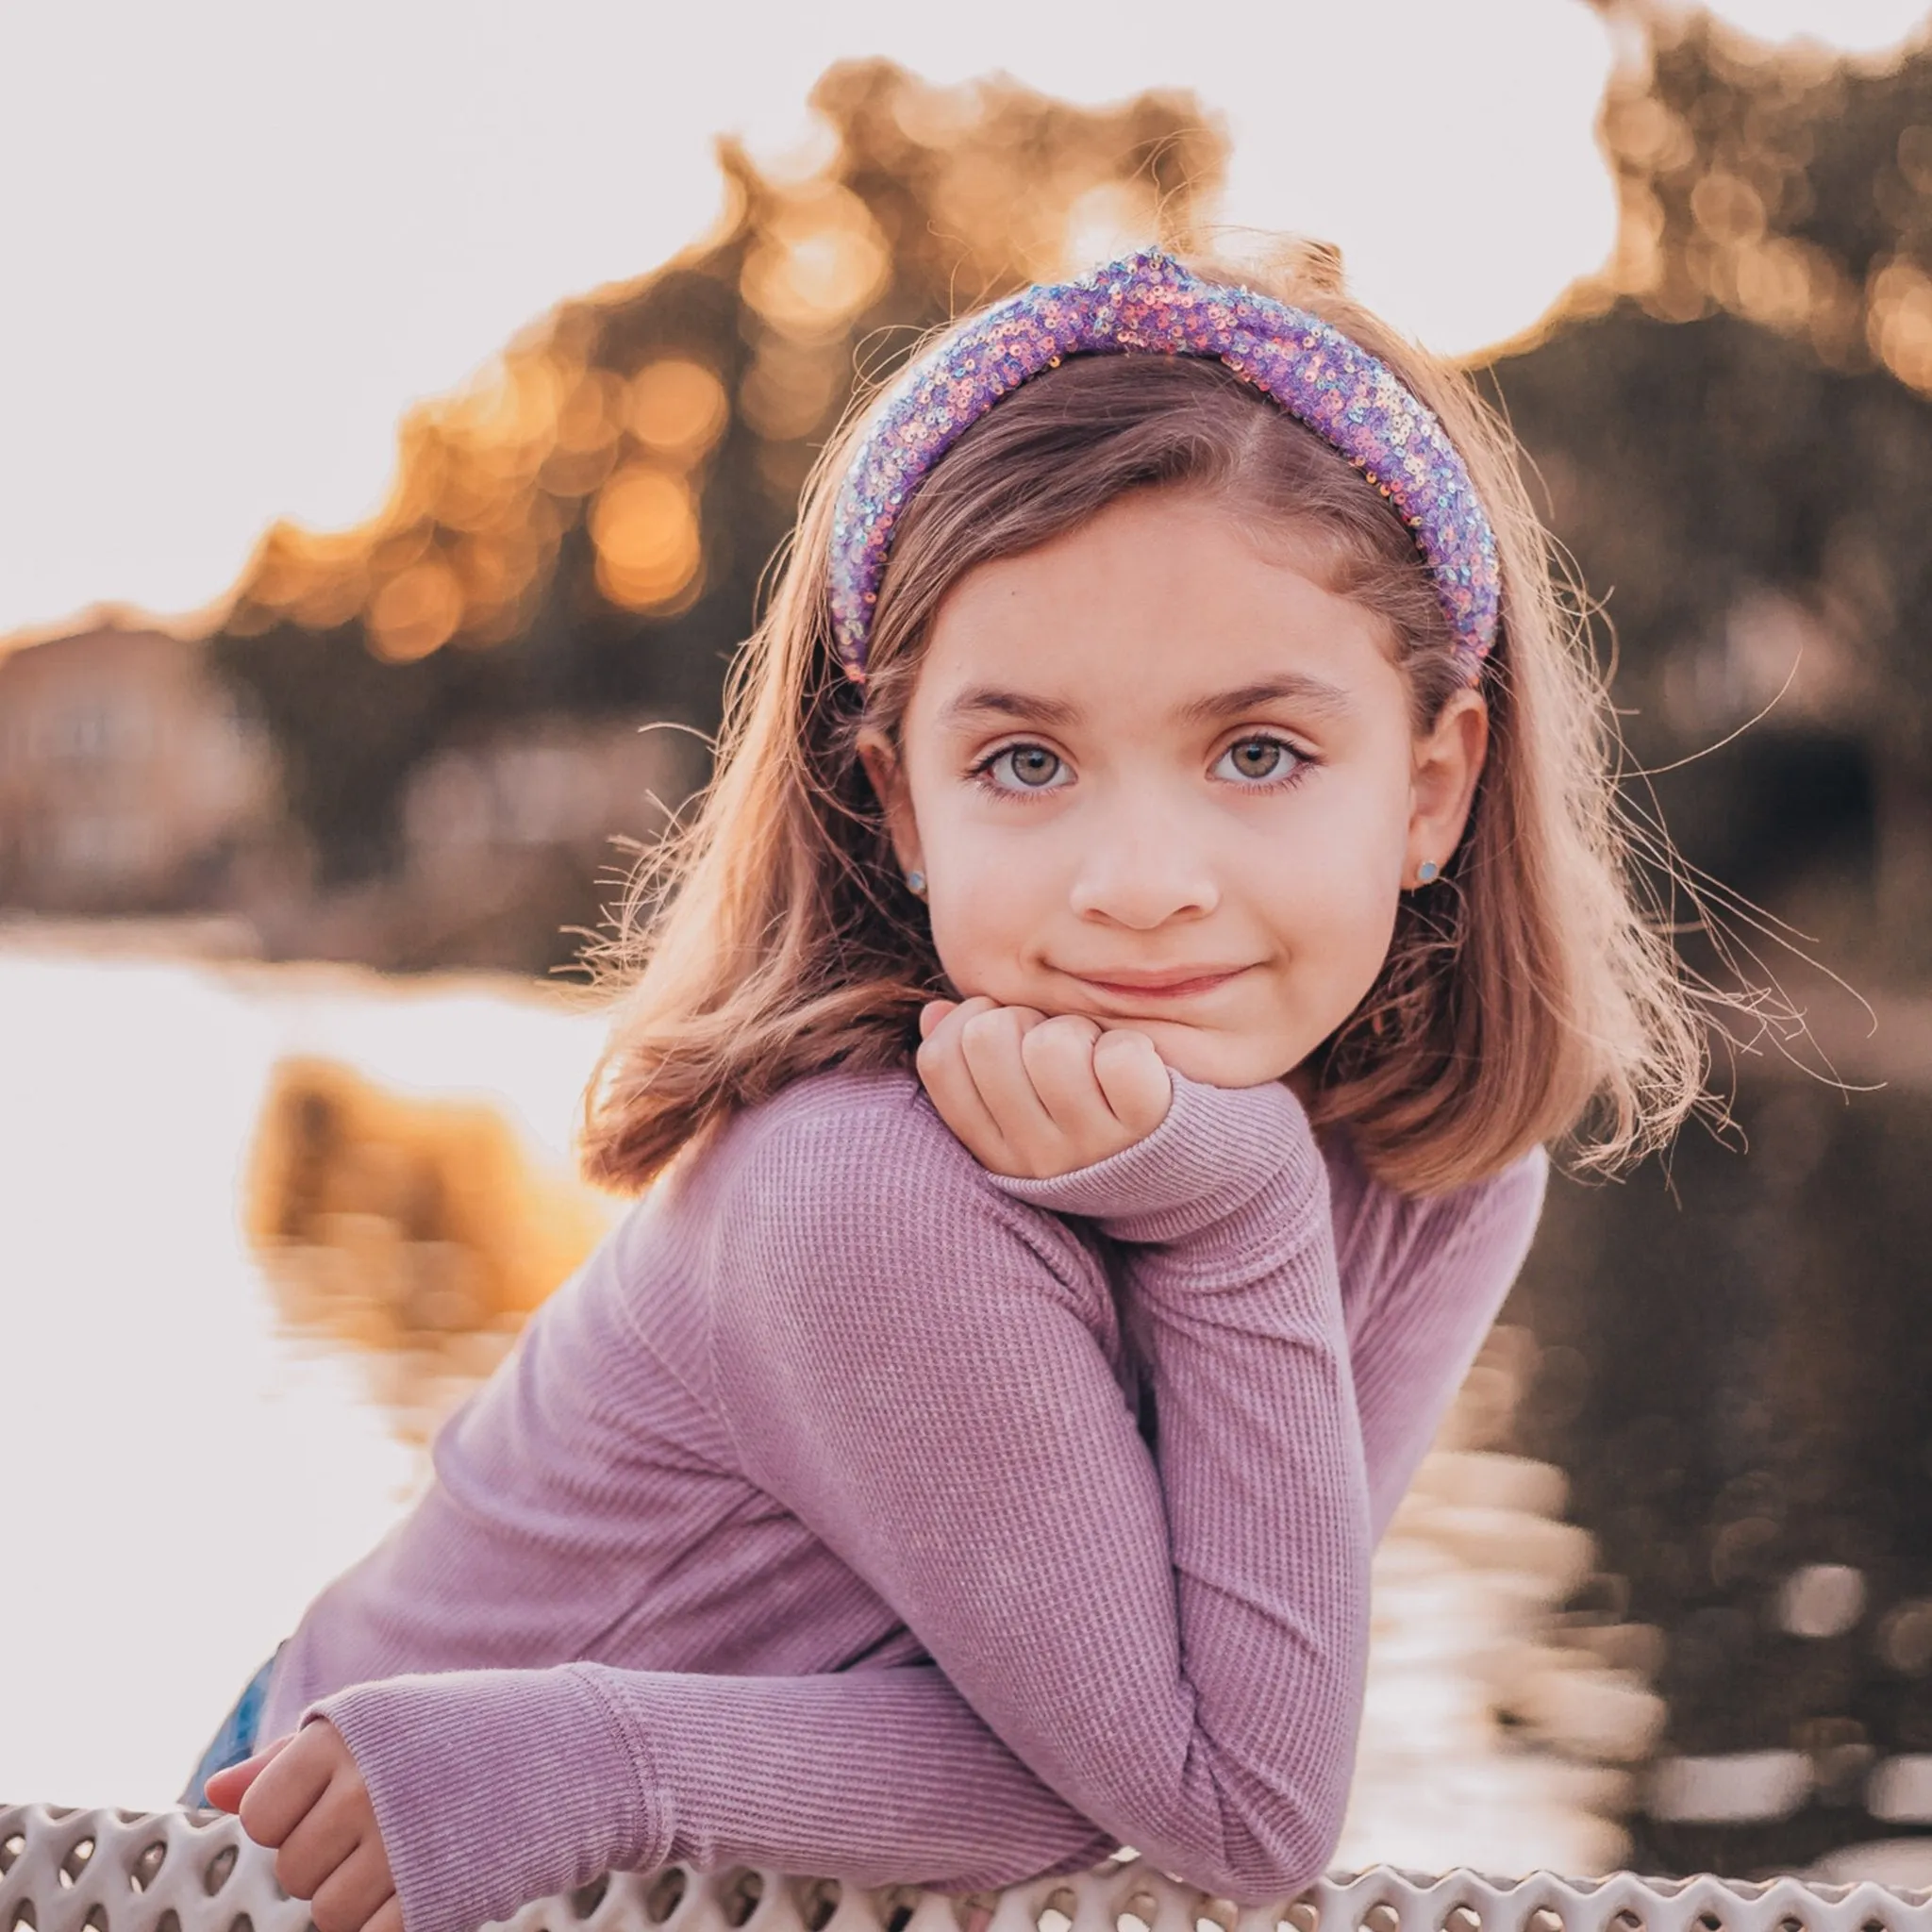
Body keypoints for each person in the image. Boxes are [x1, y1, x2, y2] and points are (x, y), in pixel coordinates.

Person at [194, 246, 1705, 1932]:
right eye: (1026, 763)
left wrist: (622, 1761)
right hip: (366, 1849)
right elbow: (1239, 1805)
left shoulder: (1446, 1177)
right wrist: (1243, 1209)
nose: (1143, 881)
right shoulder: (857, 1186)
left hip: (722, 1863)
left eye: (1258, 752)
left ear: (1435, 785)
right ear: (903, 809)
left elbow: (1186, 1770)